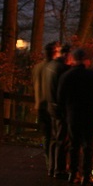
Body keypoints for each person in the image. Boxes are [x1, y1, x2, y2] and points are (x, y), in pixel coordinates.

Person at [56, 48, 93, 185]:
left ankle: (73, 173)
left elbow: (60, 98)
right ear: (86, 60)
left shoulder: (66, 76)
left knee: (74, 144)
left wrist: (64, 114)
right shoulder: (92, 75)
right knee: (88, 146)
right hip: (88, 113)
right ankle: (86, 175)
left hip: (72, 114)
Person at [43, 43, 72, 178]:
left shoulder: (50, 66)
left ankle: (52, 167)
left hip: (51, 106)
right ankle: (60, 169)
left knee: (54, 138)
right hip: (60, 108)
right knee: (62, 139)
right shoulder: (62, 69)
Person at [32, 42, 58, 176]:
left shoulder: (37, 67)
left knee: (47, 135)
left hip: (40, 104)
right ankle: (54, 163)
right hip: (50, 105)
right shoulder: (54, 68)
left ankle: (49, 161)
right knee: (54, 135)